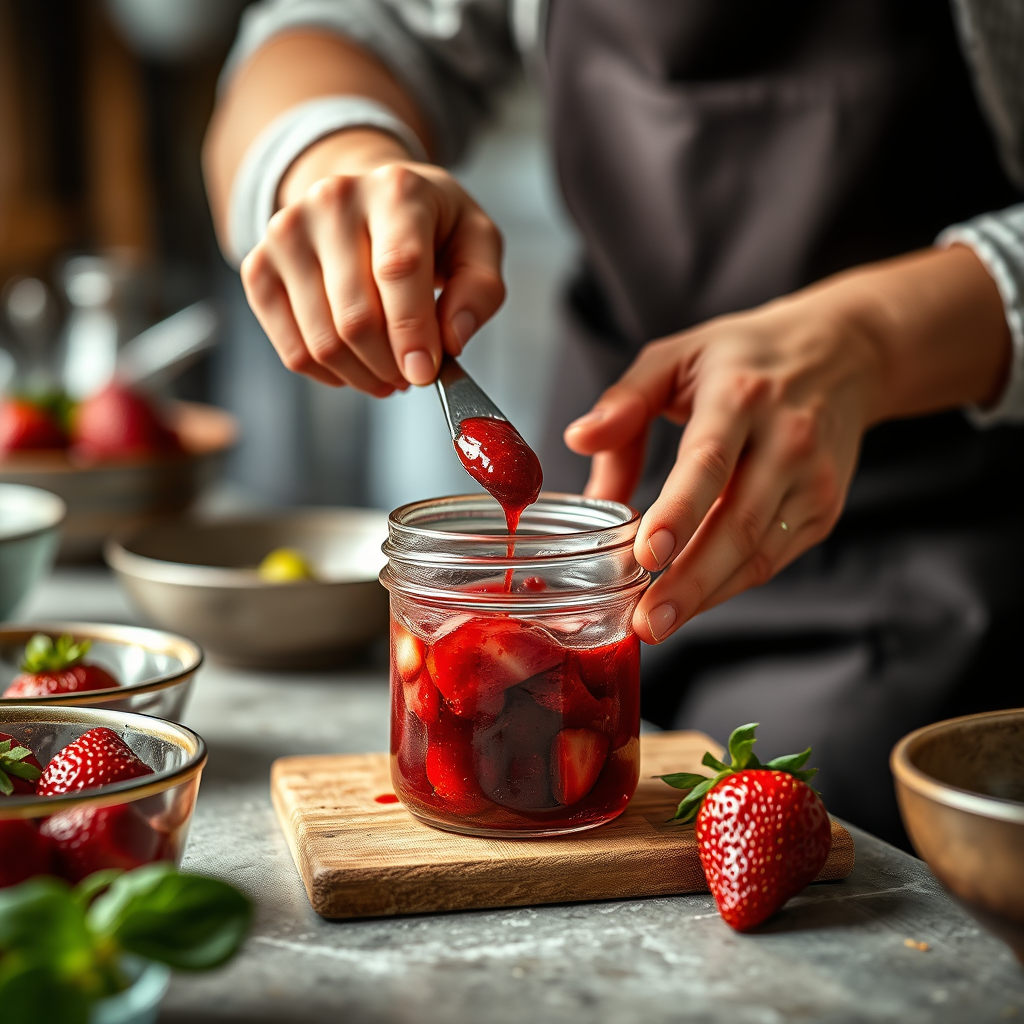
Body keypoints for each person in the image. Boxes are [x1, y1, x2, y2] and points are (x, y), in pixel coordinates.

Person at [204, 0, 1024, 846]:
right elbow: (340, 25)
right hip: (613, 483)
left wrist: (877, 340)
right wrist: (334, 164)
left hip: (943, 536)